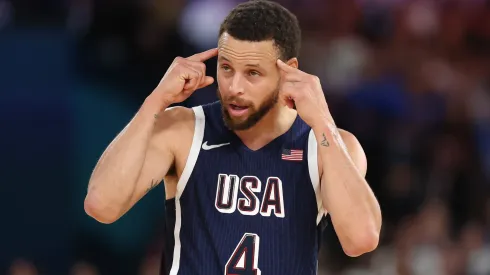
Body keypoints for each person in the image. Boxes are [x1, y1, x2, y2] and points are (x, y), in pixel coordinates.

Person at [84, 1, 382, 274]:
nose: (234, 87)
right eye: (226, 68)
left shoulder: (326, 145)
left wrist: (322, 120)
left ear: (288, 71)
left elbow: (361, 239)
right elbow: (102, 205)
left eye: (252, 73)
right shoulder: (184, 128)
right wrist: (155, 102)